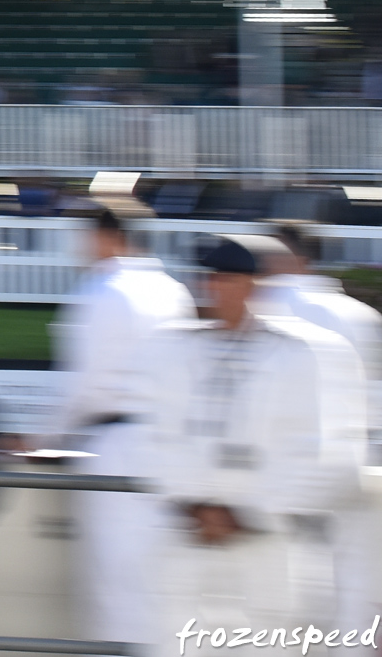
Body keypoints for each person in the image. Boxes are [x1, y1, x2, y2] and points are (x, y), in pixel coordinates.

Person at [147, 236, 367, 656]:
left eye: (226, 279)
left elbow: (333, 456)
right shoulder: (176, 350)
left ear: (254, 285)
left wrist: (245, 512)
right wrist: (195, 506)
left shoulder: (309, 352)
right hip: (193, 541)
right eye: (209, 279)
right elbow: (159, 436)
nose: (213, 289)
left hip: (274, 545)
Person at [49, 206, 196, 652]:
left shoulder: (102, 292)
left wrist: (37, 441)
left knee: (114, 585)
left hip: (116, 445)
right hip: (173, 447)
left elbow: (82, 389)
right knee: (160, 584)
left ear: (104, 237)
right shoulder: (174, 292)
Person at [259, 223, 382, 634]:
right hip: (355, 466)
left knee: (287, 589)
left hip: (287, 470)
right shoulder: (358, 314)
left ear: (286, 257)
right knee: (354, 590)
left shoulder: (266, 304)